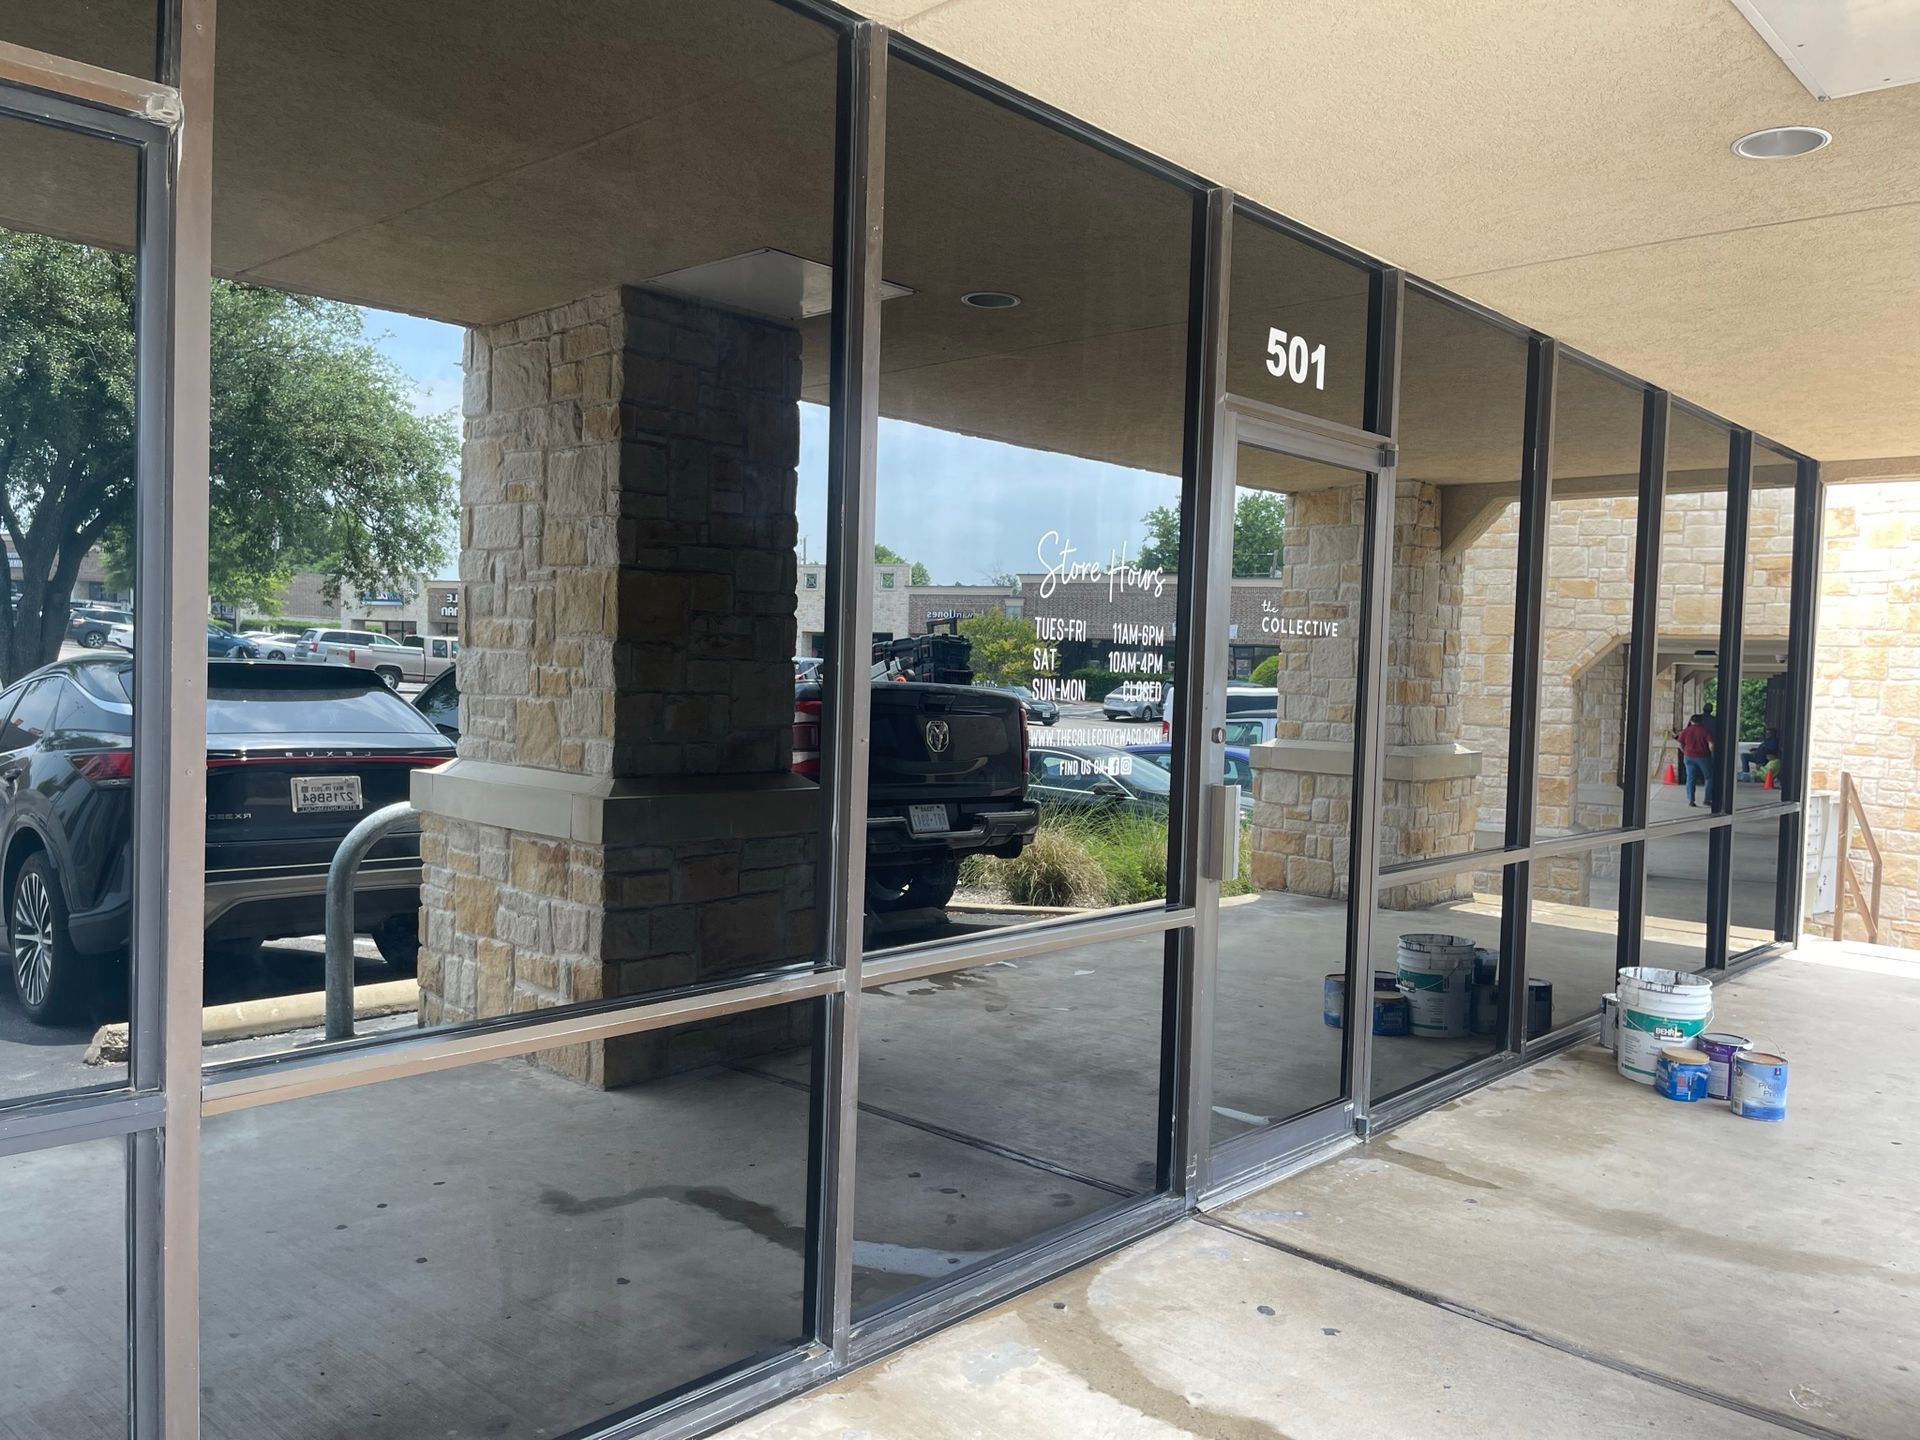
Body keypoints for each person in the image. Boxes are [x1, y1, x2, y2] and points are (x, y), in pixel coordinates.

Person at [1677, 711, 1714, 808]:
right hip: (1703, 756)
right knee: (1709, 777)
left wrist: (1685, 752)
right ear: (1701, 721)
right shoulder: (1705, 731)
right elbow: (1711, 744)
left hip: (1689, 756)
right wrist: (1711, 753)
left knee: (1690, 778)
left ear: (1691, 721)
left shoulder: (1686, 731)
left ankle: (1691, 800)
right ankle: (1707, 799)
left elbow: (1680, 744)